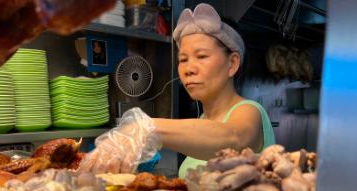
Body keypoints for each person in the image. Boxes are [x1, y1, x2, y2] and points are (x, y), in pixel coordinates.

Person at [78, 3, 275, 178]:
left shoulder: (250, 112)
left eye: (202, 56)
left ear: (232, 64)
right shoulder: (203, 122)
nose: (189, 69)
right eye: (183, 59)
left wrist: (146, 128)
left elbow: (234, 138)